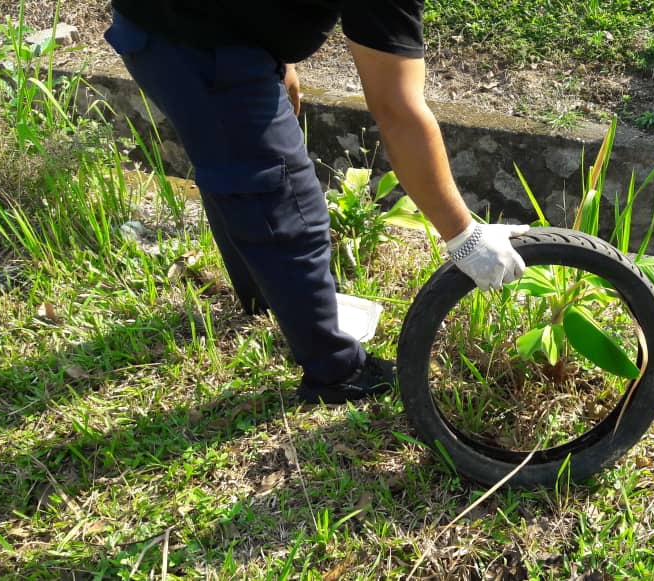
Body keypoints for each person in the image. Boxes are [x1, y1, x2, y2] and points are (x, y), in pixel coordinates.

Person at [104, 1, 528, 404]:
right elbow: (397, 110)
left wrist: (277, 56)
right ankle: (338, 370)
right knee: (283, 199)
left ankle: (265, 298)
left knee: (234, 161)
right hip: (192, 38)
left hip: (162, 29)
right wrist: (463, 235)